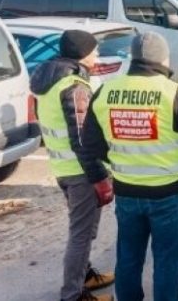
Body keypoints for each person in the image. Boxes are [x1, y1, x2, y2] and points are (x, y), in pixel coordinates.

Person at [78, 33, 178, 301]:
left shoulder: (106, 91)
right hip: (169, 193)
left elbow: (92, 144)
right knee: (167, 262)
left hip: (127, 192)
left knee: (128, 259)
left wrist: (122, 160)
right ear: (163, 58)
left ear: (133, 58)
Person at [30, 30, 114, 301]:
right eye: (95, 50)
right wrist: (99, 175)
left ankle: (85, 276)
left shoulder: (50, 79)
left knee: (85, 229)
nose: (97, 55)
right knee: (80, 235)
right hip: (80, 172)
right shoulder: (74, 85)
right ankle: (73, 295)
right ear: (82, 53)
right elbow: (82, 137)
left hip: (63, 168)